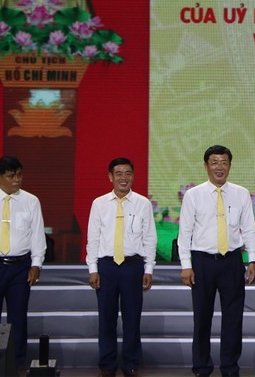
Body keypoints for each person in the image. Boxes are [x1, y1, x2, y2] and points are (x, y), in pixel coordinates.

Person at [177, 145, 255, 377]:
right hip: (202, 262)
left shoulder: (241, 193)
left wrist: (252, 260)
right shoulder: (194, 195)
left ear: (230, 166)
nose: (219, 167)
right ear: (206, 166)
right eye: (214, 162)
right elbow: (185, 233)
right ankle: (202, 367)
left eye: (224, 162)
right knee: (202, 317)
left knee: (233, 318)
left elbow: (248, 230)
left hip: (232, 261)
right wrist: (186, 266)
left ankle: (229, 367)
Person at [86, 157, 156, 377]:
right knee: (106, 317)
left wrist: (148, 269)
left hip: (132, 266)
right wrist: (93, 269)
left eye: (127, 173)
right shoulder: (99, 203)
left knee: (132, 317)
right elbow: (93, 238)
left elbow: (150, 238)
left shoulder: (143, 203)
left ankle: (131, 362)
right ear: (110, 177)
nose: (123, 178)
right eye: (119, 174)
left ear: (133, 176)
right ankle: (107, 363)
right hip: (106, 266)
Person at [0, 155, 46, 370]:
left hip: (20, 267)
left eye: (19, 175)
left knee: (18, 317)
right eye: (11, 176)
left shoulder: (31, 201)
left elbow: (37, 235)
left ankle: (17, 365)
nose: (17, 180)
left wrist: (36, 264)